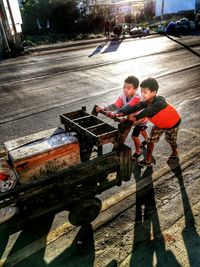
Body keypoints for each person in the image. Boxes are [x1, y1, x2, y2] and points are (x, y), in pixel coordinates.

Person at [112, 77, 181, 167]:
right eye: (141, 92)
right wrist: (120, 113)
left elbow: (148, 111)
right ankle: (148, 161)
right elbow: (136, 107)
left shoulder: (160, 102)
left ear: (154, 93)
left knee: (171, 141)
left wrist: (135, 117)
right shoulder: (146, 102)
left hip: (172, 124)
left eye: (145, 92)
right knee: (150, 141)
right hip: (159, 124)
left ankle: (175, 153)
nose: (142, 95)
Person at [96, 75, 148, 160]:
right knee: (142, 130)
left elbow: (127, 107)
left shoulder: (137, 97)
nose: (125, 90)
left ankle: (138, 151)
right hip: (131, 118)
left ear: (135, 89)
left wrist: (115, 114)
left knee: (134, 136)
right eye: (124, 87)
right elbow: (115, 105)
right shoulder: (123, 96)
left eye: (128, 88)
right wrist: (104, 108)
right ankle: (147, 140)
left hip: (140, 119)